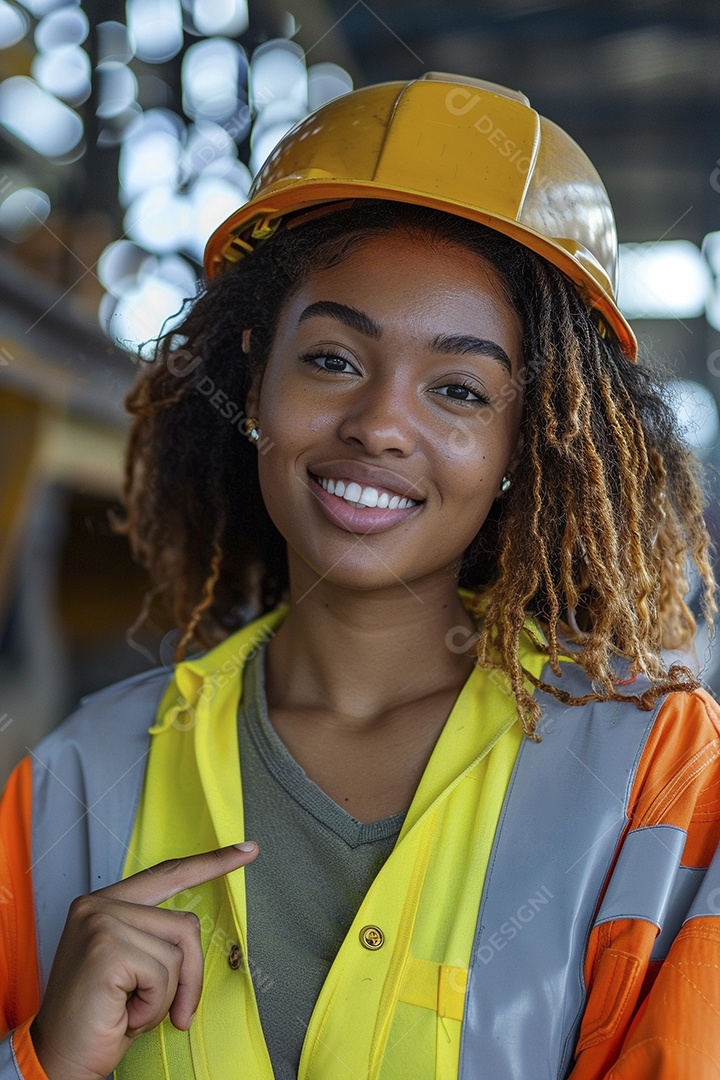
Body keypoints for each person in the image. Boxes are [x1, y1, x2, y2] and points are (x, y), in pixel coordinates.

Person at [1, 72, 720, 1080]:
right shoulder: (73, 783)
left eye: (460, 389)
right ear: (255, 373)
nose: (381, 424)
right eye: (334, 360)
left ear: (528, 438)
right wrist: (40, 1062)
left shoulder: (659, 779)